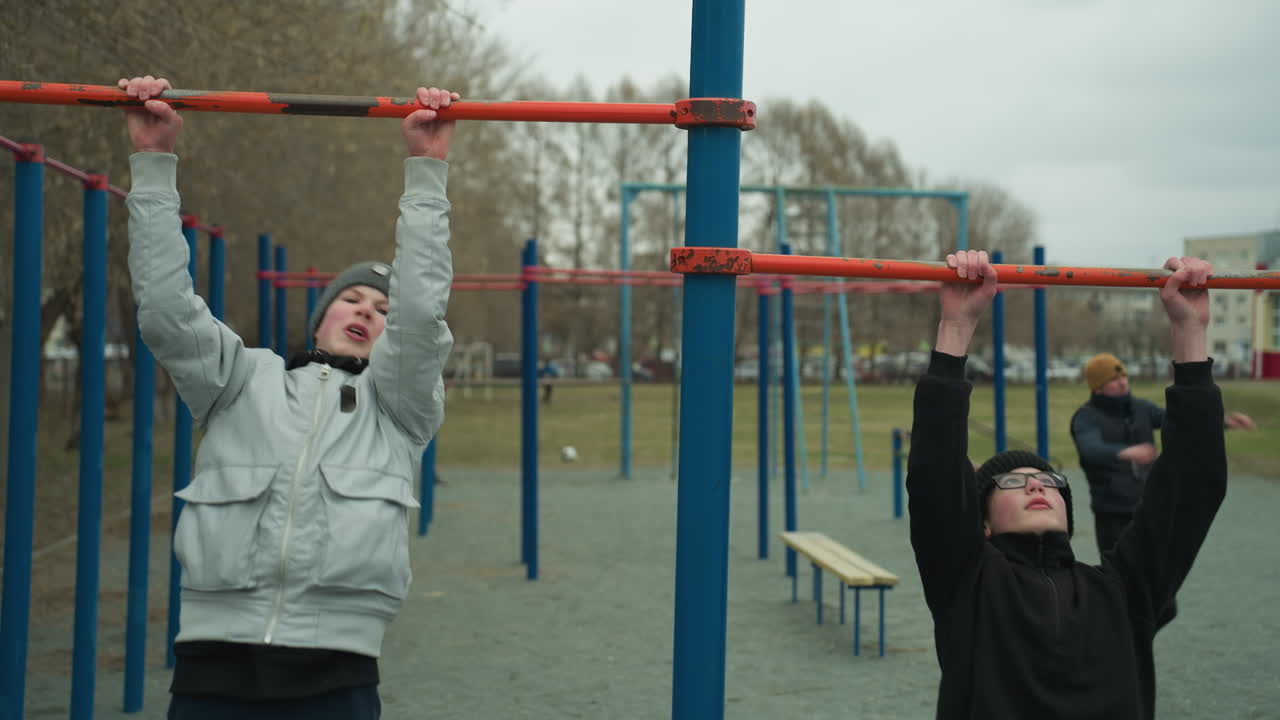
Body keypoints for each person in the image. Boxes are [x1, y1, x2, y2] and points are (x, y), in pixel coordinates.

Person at [121, 75, 457, 720]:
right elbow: (165, 310)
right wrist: (154, 159)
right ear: (321, 316)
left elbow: (420, 314)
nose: (367, 312)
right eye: (352, 299)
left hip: (338, 667)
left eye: (381, 309)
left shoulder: (400, 409)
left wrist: (426, 171)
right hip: (212, 662)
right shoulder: (240, 379)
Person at [907, 249, 1227, 719]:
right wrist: (955, 328)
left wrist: (1190, 331)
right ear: (983, 526)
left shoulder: (1125, 591)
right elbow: (935, 472)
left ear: (1066, 511)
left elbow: (1193, 482)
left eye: (1048, 481)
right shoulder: (968, 586)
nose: (1036, 487)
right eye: (1013, 482)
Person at [1071, 351, 1254, 557]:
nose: (1122, 383)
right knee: (1118, 579)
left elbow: (1181, 422)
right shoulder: (1086, 418)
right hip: (1112, 514)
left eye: (1123, 376)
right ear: (1097, 387)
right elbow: (1090, 449)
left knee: (1155, 573)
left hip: (1149, 507)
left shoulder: (1141, 408)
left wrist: (1225, 422)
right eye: (1113, 380)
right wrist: (1127, 452)